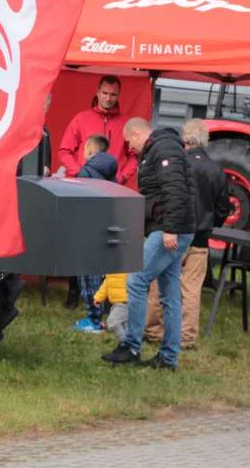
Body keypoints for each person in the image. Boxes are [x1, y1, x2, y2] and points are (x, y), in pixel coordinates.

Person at [101, 118, 196, 371]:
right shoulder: (163, 148)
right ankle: (168, 357)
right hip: (173, 227)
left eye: (129, 141)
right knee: (169, 293)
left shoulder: (163, 149)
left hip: (168, 229)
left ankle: (131, 345)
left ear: (135, 132)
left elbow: (175, 189)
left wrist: (170, 228)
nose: (130, 147)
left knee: (136, 280)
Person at [145, 118, 231, 349]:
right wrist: (211, 222)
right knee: (191, 289)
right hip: (200, 237)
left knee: (158, 282)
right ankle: (186, 337)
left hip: (173, 233)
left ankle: (154, 331)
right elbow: (224, 206)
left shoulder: (177, 164)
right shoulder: (216, 169)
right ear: (205, 140)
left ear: (184, 138)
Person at [73, 135, 118, 333]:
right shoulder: (110, 173)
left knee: (87, 277)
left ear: (90, 151)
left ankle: (93, 320)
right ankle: (104, 315)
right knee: (100, 275)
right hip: (105, 229)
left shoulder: (86, 171)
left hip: (86, 230)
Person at [58, 75, 138, 186]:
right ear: (97, 92)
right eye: (105, 93)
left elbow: (135, 156)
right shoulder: (81, 119)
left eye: (113, 94)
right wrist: (79, 172)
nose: (108, 98)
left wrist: (122, 178)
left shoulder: (126, 123)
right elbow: (64, 151)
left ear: (119, 95)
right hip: (83, 185)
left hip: (112, 187)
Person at [94, 272, 129, 341]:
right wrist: (98, 298)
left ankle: (125, 343)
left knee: (112, 322)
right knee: (125, 325)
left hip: (126, 302)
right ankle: (130, 344)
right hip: (116, 303)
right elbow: (106, 283)